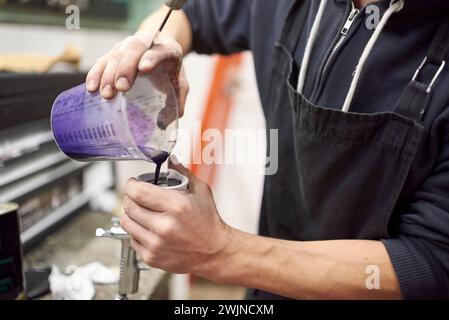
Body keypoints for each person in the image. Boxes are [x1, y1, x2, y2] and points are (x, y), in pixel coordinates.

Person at [86, 0, 449, 299]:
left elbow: (431, 263)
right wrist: (153, 41)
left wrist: (221, 250)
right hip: (267, 290)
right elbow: (190, 15)